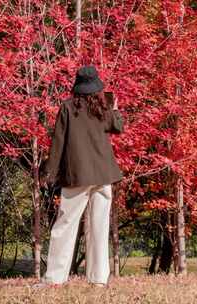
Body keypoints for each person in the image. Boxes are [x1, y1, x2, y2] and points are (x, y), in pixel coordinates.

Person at [38, 65, 124, 288]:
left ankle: (55, 279)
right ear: (96, 86)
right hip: (103, 174)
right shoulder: (103, 108)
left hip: (77, 174)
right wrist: (115, 109)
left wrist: (49, 172)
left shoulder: (67, 108)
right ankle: (99, 280)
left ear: (77, 87)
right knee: (98, 226)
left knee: (65, 225)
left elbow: (58, 143)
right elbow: (118, 127)